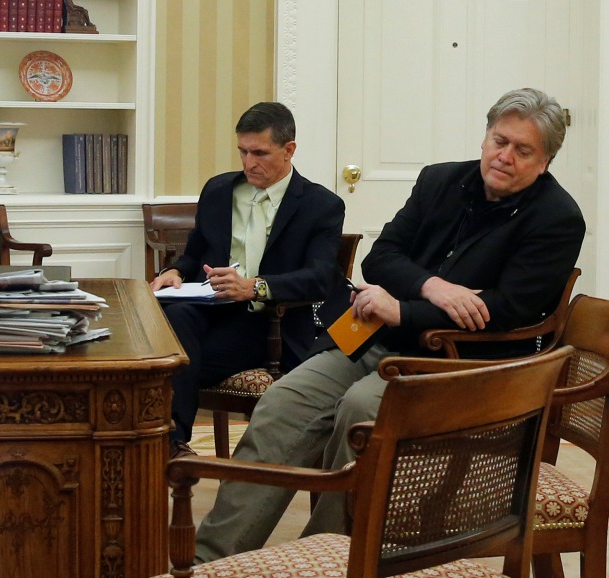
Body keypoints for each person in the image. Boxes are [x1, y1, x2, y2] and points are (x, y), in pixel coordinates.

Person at [194, 87, 586, 563]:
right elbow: (382, 258)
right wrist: (434, 288)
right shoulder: (440, 181)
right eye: (498, 140)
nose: (503, 156)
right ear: (485, 137)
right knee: (281, 404)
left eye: (522, 150)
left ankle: (331, 561)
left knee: (360, 411)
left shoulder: (558, 219)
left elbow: (507, 311)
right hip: (378, 343)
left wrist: (404, 309)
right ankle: (211, 560)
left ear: (545, 161)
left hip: (469, 368)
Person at [149, 102, 345, 459]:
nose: (248, 163)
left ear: (289, 150)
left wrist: (255, 286)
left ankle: (167, 442)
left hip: (270, 325)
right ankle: (173, 444)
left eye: (260, 153)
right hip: (210, 313)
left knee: (167, 365)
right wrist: (173, 272)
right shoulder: (219, 191)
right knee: (175, 323)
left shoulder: (321, 205)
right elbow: (195, 252)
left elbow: (319, 278)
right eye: (242, 151)